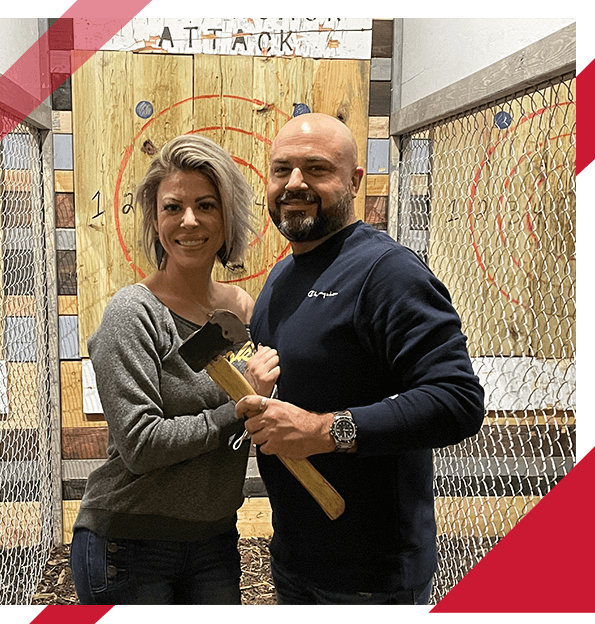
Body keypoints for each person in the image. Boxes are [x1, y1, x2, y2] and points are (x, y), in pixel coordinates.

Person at [236, 113, 485, 605]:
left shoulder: (387, 271)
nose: (295, 183)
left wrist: (324, 431)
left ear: (354, 181)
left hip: (372, 575)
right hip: (296, 557)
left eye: (316, 169)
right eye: (281, 169)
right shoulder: (283, 275)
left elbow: (458, 400)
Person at [70, 135, 280, 605]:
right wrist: (240, 408)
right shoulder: (134, 313)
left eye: (206, 205)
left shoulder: (242, 311)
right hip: (128, 541)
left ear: (226, 217)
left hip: (215, 538)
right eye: (173, 207)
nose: (189, 221)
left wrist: (262, 400)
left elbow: (257, 421)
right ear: (155, 219)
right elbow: (141, 445)